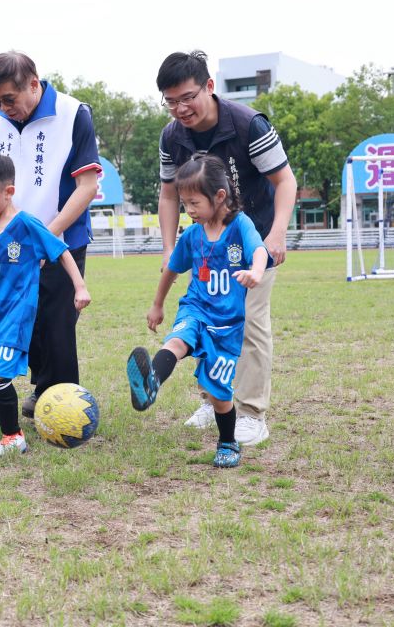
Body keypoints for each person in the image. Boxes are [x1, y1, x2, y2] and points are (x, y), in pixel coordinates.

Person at [156, 50, 297, 445]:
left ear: (209, 87)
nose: (180, 109)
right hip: (208, 246)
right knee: (205, 320)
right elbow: (169, 195)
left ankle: (251, 412)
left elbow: (285, 181)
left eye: (187, 97)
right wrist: (169, 247)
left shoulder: (248, 124)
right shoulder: (172, 136)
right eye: (171, 102)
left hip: (254, 240)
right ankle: (212, 399)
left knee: (249, 323)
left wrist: (278, 233)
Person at [127, 155, 270, 468]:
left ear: (219, 197)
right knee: (177, 342)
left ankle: (228, 443)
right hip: (195, 309)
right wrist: (158, 304)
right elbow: (172, 269)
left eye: (193, 203)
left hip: (227, 325)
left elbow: (259, 249)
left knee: (219, 395)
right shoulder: (192, 235)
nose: (188, 211)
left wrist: (256, 272)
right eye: (184, 204)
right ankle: (150, 382)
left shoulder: (240, 226)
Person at [0, 51, 101, 420]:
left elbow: (87, 185)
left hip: (59, 236)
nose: (3, 108)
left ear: (33, 84)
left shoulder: (72, 113)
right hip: (12, 244)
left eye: (9, 100)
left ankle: (68, 408)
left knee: (58, 324)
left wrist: (47, 236)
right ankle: (43, 388)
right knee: (23, 321)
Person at [0, 152, 90, 458]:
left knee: (0, 375)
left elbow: (62, 251)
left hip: (14, 316)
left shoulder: (26, 224)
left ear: (8, 192)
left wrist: (79, 287)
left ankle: (13, 436)